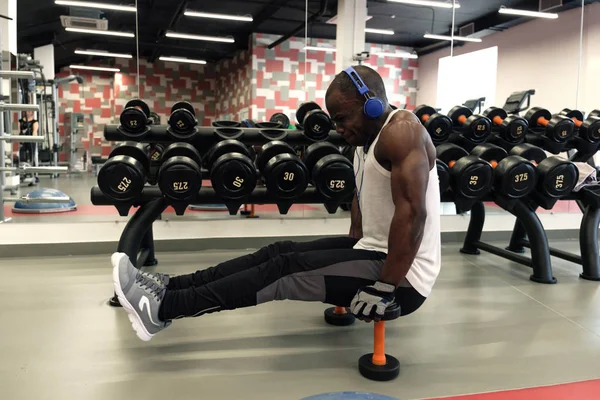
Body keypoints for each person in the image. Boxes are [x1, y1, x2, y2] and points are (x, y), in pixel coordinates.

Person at [112, 65, 441, 342]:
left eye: (343, 118)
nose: (339, 129)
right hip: (372, 251)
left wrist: (384, 286)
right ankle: (169, 286)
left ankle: (162, 309)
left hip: (404, 278)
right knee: (278, 252)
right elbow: (361, 193)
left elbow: (413, 215)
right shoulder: (366, 137)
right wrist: (346, 249)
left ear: (370, 104)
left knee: (282, 273)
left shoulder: (402, 134)